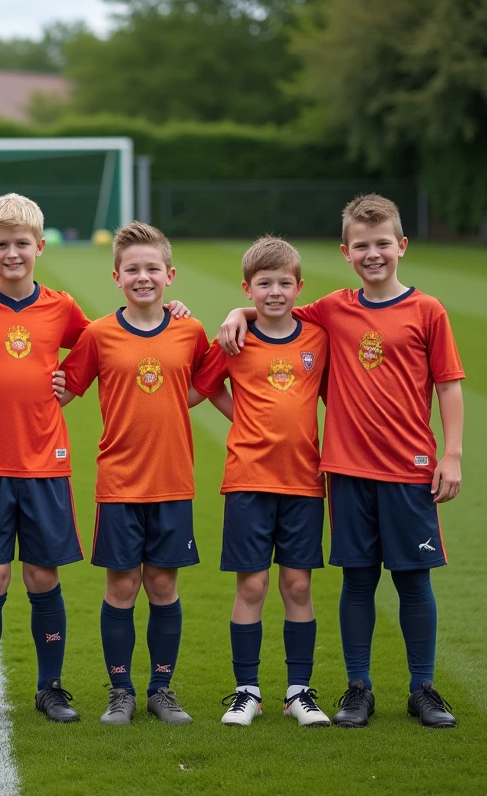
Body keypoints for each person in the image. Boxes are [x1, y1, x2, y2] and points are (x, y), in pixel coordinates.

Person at [218, 194, 465, 729]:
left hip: (410, 469)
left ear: (401, 246)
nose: (372, 253)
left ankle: (423, 688)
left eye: (382, 244)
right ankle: (359, 688)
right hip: (347, 470)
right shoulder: (331, 308)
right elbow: (270, 308)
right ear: (346, 252)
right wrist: (237, 310)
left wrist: (452, 454)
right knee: (357, 580)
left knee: (413, 581)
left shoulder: (428, 310)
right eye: (361, 246)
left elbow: (448, 384)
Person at [55, 222, 231, 726]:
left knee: (162, 586)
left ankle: (161, 690)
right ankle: (121, 692)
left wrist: (238, 314)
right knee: (122, 589)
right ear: (117, 277)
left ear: (170, 274)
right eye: (132, 269)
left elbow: (204, 382)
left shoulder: (191, 332)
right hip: (119, 483)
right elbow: (64, 389)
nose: (143, 277)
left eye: (152, 268)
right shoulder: (99, 334)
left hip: (173, 482)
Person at [0, 193, 88, 725]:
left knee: (43, 577)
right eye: (2, 244)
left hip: (45, 463)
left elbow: (103, 343)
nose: (13, 253)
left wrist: (69, 386)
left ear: (40, 246)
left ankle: (50, 688)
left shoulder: (62, 306)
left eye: (22, 243)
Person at [192, 237, 331, 728]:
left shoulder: (318, 336)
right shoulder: (233, 339)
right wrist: (242, 417)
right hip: (248, 479)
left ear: (299, 287)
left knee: (297, 584)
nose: (275, 292)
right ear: (247, 288)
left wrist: (237, 311)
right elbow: (199, 390)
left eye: (284, 283)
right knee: (251, 585)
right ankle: (246, 690)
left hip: (304, 481)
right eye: (264, 284)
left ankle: (298, 691)